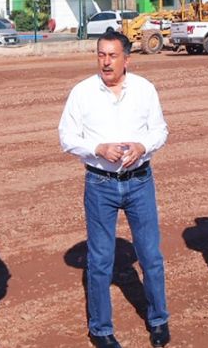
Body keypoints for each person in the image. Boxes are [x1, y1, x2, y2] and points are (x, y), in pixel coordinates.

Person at [58, 31, 170, 348]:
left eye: (112, 56)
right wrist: (97, 148)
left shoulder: (145, 90)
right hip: (100, 184)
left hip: (139, 181)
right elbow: (66, 137)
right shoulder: (82, 93)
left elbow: (160, 129)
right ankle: (101, 328)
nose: (106, 62)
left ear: (126, 59)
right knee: (100, 259)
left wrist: (142, 145)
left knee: (150, 256)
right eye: (101, 55)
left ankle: (159, 319)